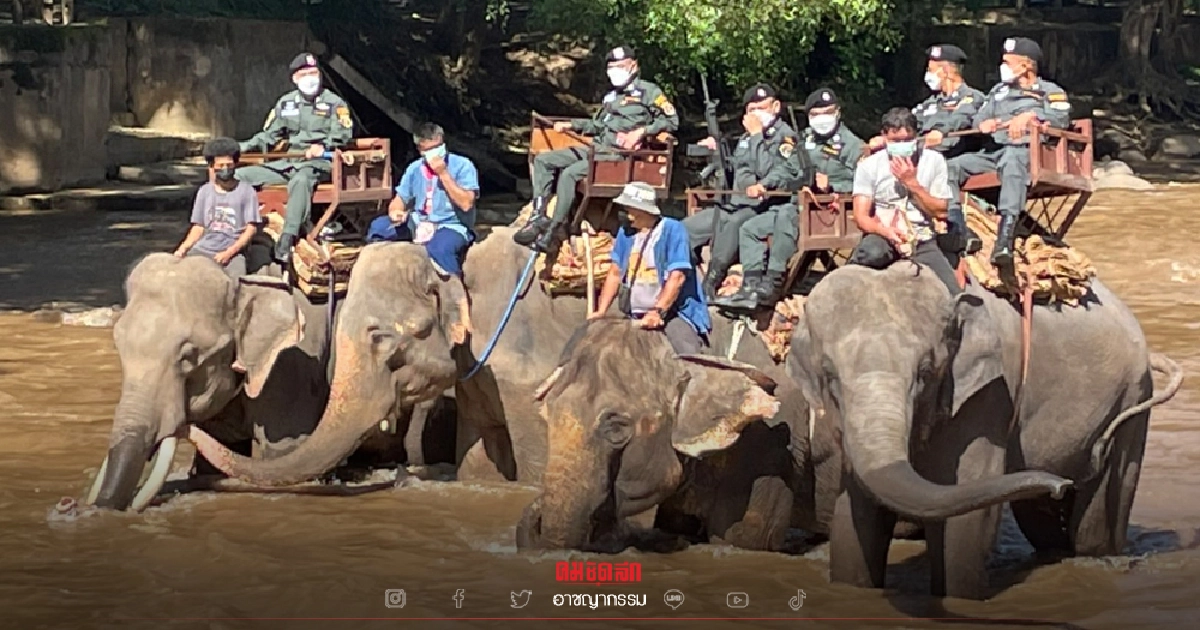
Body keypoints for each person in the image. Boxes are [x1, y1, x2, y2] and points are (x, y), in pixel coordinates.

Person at [514, 46, 679, 251]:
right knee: (544, 160)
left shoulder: (649, 92)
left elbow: (672, 121)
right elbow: (598, 126)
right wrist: (572, 125)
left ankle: (554, 229)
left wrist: (642, 132)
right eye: (610, 68)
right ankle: (538, 216)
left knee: (570, 174)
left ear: (633, 66)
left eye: (619, 66)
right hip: (599, 148)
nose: (614, 72)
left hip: (620, 156)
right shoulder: (611, 97)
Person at [946, 37, 1071, 268]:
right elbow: (980, 117)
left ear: (1026, 66)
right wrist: (986, 123)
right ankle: (958, 226)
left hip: (1026, 152)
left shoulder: (1049, 92)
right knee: (951, 166)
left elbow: (1061, 118)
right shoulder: (998, 91)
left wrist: (1033, 117)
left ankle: (1004, 239)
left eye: (1007, 62)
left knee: (1013, 163)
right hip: (994, 151)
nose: (1002, 67)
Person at [683, 84, 806, 303]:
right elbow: (741, 169)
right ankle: (686, 280)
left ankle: (712, 281)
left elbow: (771, 172)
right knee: (686, 229)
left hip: (769, 205)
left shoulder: (786, 138)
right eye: (752, 109)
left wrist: (758, 136)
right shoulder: (746, 139)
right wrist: (717, 151)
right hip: (737, 202)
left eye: (762, 107)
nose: (757, 114)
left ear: (776, 107)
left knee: (734, 223)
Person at [236, 52, 355, 265]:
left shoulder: (334, 103)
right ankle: (236, 227)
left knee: (301, 181)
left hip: (318, 163)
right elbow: (269, 136)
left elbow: (344, 134)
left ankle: (287, 237)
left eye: (314, 73)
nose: (311, 78)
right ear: (295, 79)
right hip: (289, 161)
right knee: (239, 175)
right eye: (305, 74)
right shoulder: (286, 103)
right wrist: (241, 147)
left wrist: (324, 146)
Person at [848, 107, 961, 295]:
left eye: (907, 141)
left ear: (916, 137)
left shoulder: (934, 161)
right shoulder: (869, 166)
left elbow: (941, 211)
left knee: (953, 294)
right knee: (869, 254)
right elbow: (861, 217)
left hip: (921, 237)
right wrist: (885, 231)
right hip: (884, 234)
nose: (902, 145)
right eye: (896, 141)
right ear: (884, 137)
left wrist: (912, 183)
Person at [593, 181, 711, 354]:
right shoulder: (625, 233)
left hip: (672, 314)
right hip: (634, 315)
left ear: (641, 209)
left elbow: (677, 277)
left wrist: (657, 312)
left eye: (628, 208)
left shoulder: (672, 230)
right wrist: (601, 312)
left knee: (687, 354)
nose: (625, 212)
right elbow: (615, 273)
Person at [365, 123, 480, 278]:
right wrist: (395, 211)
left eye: (438, 147)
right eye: (429, 149)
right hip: (418, 222)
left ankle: (456, 295)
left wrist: (443, 174)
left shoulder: (463, 166)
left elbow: (466, 204)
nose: (435, 153)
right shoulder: (414, 168)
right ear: (420, 149)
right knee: (379, 227)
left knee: (439, 248)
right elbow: (400, 198)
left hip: (451, 224)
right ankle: (381, 277)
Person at [174, 137, 262, 280]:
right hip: (204, 248)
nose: (225, 169)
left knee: (235, 283)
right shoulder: (204, 191)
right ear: (211, 166)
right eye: (220, 165)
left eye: (229, 164)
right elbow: (199, 227)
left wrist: (229, 253)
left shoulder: (246, 191)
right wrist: (183, 248)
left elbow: (250, 229)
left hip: (233, 251)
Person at [801, 88, 865, 194]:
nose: (822, 118)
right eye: (815, 114)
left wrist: (832, 186)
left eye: (827, 112)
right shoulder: (801, 140)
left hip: (838, 205)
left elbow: (864, 183)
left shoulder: (852, 144)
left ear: (837, 112)